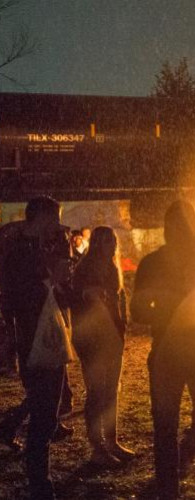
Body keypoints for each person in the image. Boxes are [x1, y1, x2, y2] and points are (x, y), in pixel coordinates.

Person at [131, 200, 195, 500]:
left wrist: (162, 309)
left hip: (169, 352)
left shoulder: (152, 263)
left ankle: (169, 492)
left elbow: (137, 311)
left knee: (167, 427)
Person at [0, 196, 73, 500]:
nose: (57, 223)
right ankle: (40, 486)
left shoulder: (41, 246)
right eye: (54, 217)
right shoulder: (17, 251)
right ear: (41, 217)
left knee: (48, 411)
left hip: (46, 336)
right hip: (32, 338)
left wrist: (61, 282)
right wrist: (49, 281)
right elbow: (16, 296)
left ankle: (40, 481)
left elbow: (63, 293)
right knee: (44, 414)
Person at [71, 226, 134, 467]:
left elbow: (117, 302)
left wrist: (121, 329)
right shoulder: (85, 269)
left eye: (111, 241)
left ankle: (112, 441)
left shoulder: (111, 267)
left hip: (112, 337)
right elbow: (80, 301)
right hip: (94, 340)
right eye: (103, 241)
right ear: (95, 244)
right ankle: (98, 448)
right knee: (97, 392)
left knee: (110, 391)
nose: (109, 246)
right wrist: (89, 295)